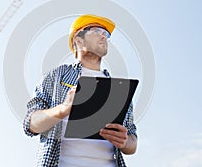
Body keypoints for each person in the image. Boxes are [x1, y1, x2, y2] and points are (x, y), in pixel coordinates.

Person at [23, 14, 137, 167]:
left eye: (106, 34)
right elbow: (30, 124)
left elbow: (133, 142)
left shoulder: (118, 89)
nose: (104, 36)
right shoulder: (55, 76)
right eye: (97, 31)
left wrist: (124, 141)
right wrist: (61, 110)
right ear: (78, 39)